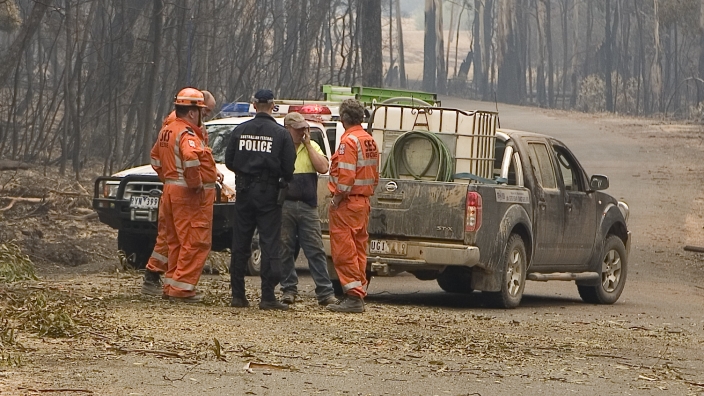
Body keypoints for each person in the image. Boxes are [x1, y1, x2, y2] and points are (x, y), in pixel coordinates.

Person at [145, 87, 219, 303]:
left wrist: (170, 179)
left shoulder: (167, 130)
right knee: (194, 241)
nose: (204, 116)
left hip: (171, 190)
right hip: (187, 195)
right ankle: (182, 290)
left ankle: (171, 286)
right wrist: (195, 184)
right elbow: (191, 158)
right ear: (192, 111)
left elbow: (155, 159)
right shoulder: (186, 133)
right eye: (203, 112)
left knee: (175, 240)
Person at [225, 89, 296, 311]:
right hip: (268, 193)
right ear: (273, 105)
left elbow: (229, 161)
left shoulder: (240, 130)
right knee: (269, 243)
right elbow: (288, 168)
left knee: (240, 243)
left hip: (244, 191)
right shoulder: (281, 134)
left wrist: (246, 172)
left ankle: (238, 295)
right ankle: (267, 296)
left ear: (254, 105)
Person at [326, 99, 379, 313]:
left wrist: (337, 199)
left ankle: (353, 297)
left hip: (347, 204)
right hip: (363, 202)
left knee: (344, 251)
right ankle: (358, 292)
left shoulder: (348, 141)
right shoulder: (369, 140)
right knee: (358, 249)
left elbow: (345, 176)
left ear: (343, 118)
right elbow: (374, 175)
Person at [279, 112, 337, 306]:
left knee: (315, 250)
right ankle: (289, 289)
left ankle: (325, 292)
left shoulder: (313, 147)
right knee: (285, 248)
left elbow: (323, 167)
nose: (302, 132)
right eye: (298, 129)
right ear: (288, 129)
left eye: (304, 128)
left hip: (307, 205)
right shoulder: (280, 148)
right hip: (285, 204)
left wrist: (308, 145)